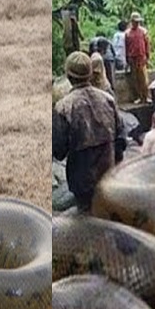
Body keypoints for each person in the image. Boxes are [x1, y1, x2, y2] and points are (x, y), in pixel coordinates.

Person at [52, 52, 122, 213]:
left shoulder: (63, 107)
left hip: (82, 180)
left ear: (69, 76)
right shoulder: (108, 99)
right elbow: (121, 138)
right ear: (91, 73)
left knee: (87, 220)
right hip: (108, 174)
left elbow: (59, 151)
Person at [124, 12, 151, 104]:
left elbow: (147, 44)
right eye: (135, 22)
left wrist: (147, 56)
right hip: (132, 58)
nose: (137, 23)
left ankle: (146, 96)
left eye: (138, 22)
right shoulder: (127, 33)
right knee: (135, 79)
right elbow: (126, 47)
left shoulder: (143, 31)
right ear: (132, 21)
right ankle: (139, 96)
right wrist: (127, 59)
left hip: (141, 57)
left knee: (144, 79)